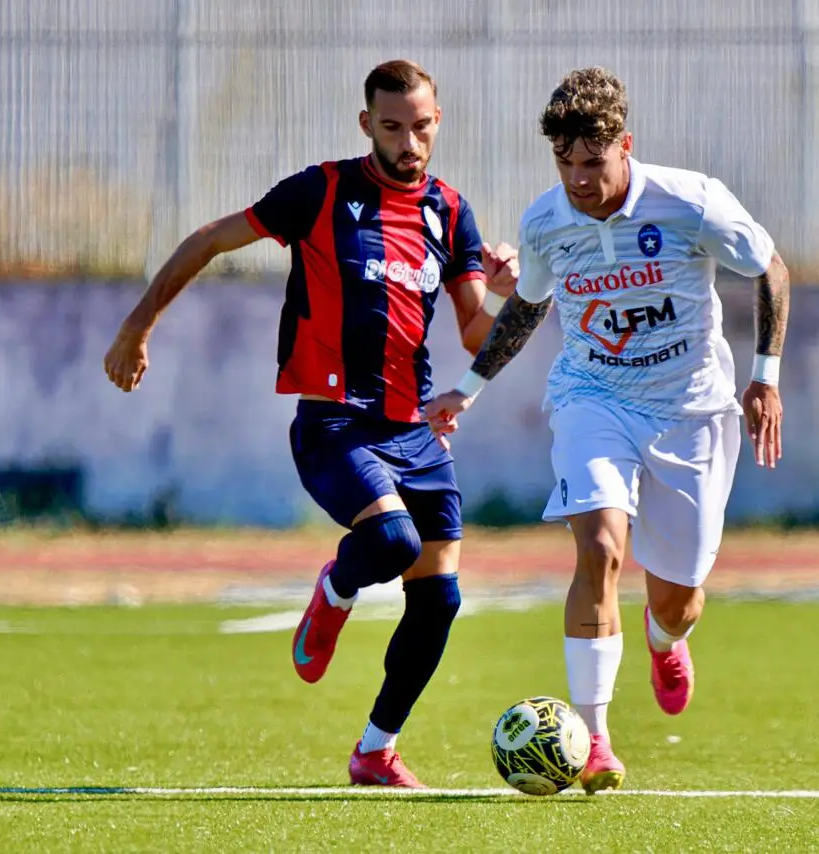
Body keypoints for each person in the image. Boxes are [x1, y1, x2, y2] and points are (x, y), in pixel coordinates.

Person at [103, 59, 519, 789]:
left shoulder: (451, 212)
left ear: (438, 121)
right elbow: (208, 239)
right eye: (392, 127)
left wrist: (514, 296)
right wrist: (138, 327)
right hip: (333, 423)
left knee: (441, 600)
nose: (409, 142)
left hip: (415, 430)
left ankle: (376, 751)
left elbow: (475, 332)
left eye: (421, 126)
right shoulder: (320, 192)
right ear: (367, 125)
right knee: (390, 540)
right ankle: (334, 592)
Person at [425, 66, 790, 793]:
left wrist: (766, 377)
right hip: (593, 398)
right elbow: (529, 306)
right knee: (598, 545)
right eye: (565, 163)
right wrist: (467, 389)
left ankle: (664, 641)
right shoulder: (546, 222)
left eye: (592, 163)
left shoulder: (691, 202)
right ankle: (594, 740)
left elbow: (770, 268)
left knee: (676, 599)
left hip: (691, 408)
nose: (579, 180)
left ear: (625, 145)